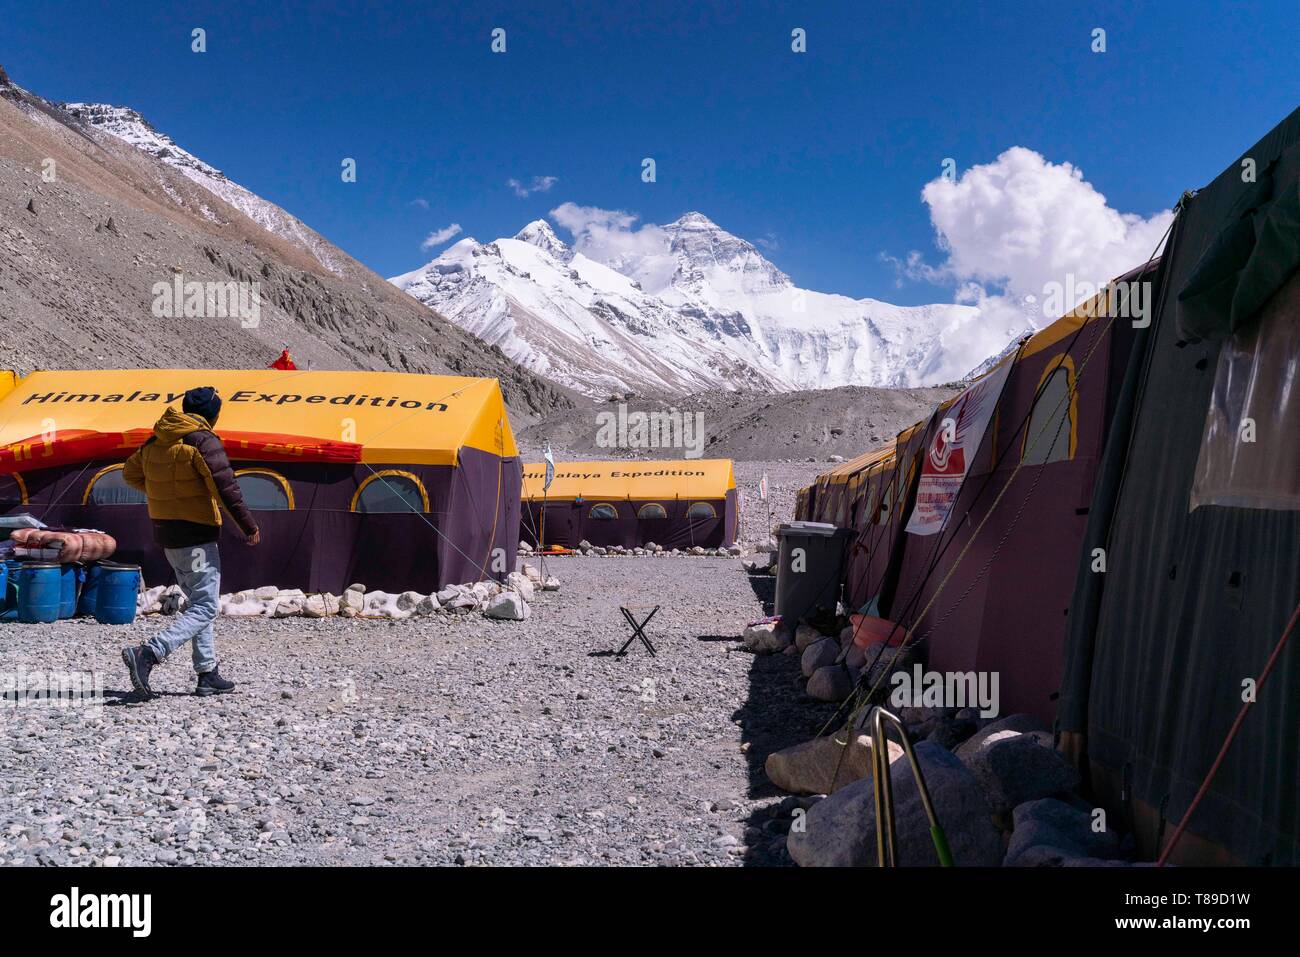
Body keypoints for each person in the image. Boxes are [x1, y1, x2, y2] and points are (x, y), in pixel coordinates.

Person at [120, 387, 260, 698]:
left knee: (199, 602)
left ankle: (207, 673)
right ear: (214, 414)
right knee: (208, 605)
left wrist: (163, 493)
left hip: (167, 535)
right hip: (197, 535)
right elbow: (225, 486)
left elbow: (129, 473)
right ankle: (149, 653)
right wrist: (248, 527)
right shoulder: (202, 440)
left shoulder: (156, 439)